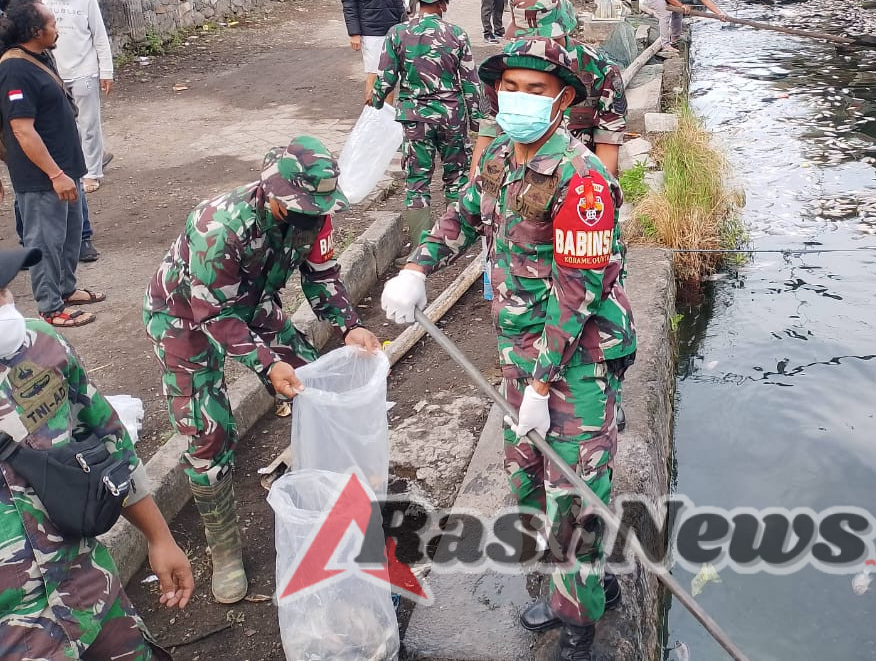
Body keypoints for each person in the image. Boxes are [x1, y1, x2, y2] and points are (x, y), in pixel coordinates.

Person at [381, 37, 636, 661]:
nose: (518, 100)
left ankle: (580, 629)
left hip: (577, 361)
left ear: (564, 99)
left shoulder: (583, 182)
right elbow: (467, 212)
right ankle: (577, 582)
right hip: (522, 355)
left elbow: (576, 295)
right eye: (509, 87)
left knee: (573, 494)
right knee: (526, 481)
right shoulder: (499, 153)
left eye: (536, 89)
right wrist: (417, 267)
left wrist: (543, 388)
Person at [142, 137, 381, 604]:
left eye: (319, 208)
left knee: (311, 384)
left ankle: (329, 499)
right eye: (302, 208)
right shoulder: (219, 225)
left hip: (252, 305)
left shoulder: (313, 215)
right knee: (207, 428)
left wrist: (349, 324)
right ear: (272, 194)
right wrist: (267, 364)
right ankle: (225, 550)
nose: (312, 217)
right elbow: (214, 314)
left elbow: (322, 273)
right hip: (185, 316)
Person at [0, 246, 194, 659]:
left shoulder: (39, 344)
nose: (6, 306)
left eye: (2, 289)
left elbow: (108, 439)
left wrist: (159, 537)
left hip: (90, 594)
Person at [0, 0, 104, 329]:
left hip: (64, 169)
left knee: (70, 236)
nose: (56, 28)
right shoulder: (14, 69)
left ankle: (65, 289)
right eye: (51, 23)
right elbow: (22, 129)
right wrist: (55, 174)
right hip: (43, 177)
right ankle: (49, 307)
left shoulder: (40, 56)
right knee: (44, 241)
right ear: (35, 32)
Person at [370, 0, 486, 247]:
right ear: (442, 3)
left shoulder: (397, 33)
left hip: (414, 117)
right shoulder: (456, 34)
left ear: (419, 1)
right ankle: (457, 241)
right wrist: (478, 120)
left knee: (417, 181)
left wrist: (375, 103)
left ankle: (423, 246)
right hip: (451, 116)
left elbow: (385, 79)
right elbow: (470, 81)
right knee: (456, 177)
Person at [474, 0, 626, 176]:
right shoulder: (502, 71)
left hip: (574, 180)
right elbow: (487, 137)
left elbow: (607, 145)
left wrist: (596, 191)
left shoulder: (601, 71)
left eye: (547, 39)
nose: (538, 48)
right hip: (510, 179)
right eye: (529, 40)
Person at [38, 0, 113, 195]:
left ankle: (91, 172)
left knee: (88, 123)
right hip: (53, 72)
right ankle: (69, 166)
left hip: (85, 69)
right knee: (62, 124)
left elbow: (99, 35)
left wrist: (106, 71)